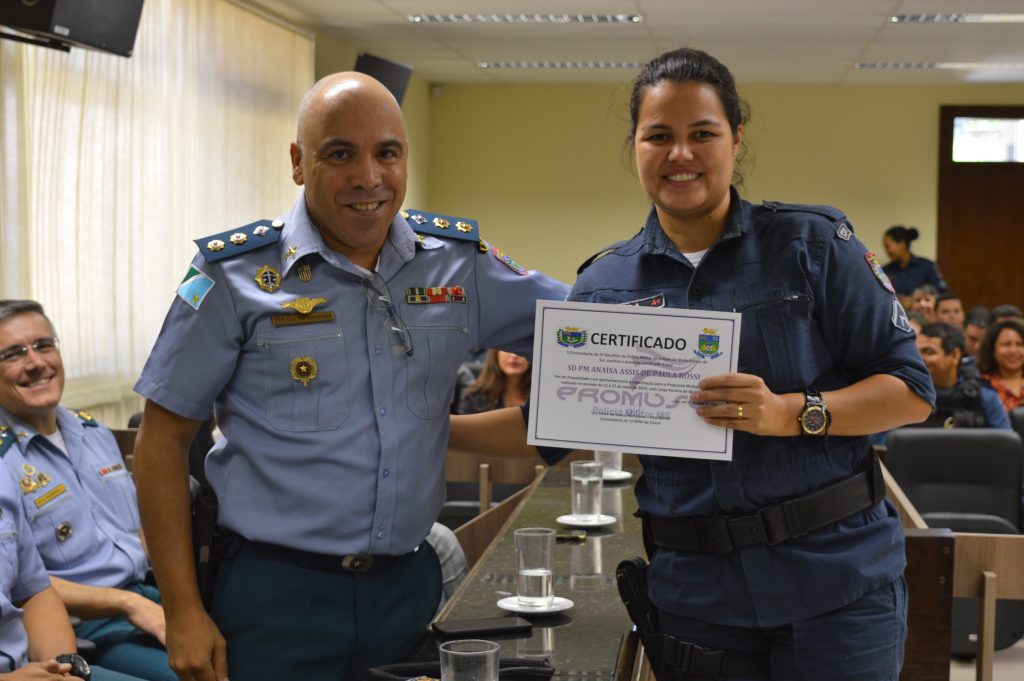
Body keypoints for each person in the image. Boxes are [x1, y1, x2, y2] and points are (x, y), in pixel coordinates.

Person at [450, 47, 934, 681]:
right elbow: (553, 427)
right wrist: (436, 431)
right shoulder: (604, 285)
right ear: (635, 146)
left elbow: (910, 390)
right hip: (699, 598)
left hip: (836, 585)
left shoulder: (813, 244)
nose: (681, 153)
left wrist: (790, 413)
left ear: (737, 138)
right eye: (659, 136)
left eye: (702, 133)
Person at [130, 72, 569, 681]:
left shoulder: (458, 266)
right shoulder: (232, 275)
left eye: (387, 153)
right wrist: (181, 609)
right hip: (275, 597)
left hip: (406, 592)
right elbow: (160, 441)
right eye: (340, 154)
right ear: (297, 161)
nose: (368, 177)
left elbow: (592, 334)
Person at [0, 301, 173, 681]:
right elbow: (23, 583)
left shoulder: (93, 432)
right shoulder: (4, 463)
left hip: (152, 597)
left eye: (44, 345)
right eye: (13, 354)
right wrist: (127, 603)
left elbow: (139, 530)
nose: (35, 362)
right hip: (87, 622)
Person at [915, 323, 1009, 429]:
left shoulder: (982, 396)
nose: (918, 359)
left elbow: (1005, 438)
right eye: (915, 352)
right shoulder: (907, 392)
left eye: (928, 352)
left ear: (955, 355)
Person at [880, 224, 948, 300]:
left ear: (902, 243)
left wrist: (917, 300)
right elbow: (880, 296)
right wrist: (899, 300)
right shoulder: (885, 271)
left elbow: (943, 294)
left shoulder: (927, 266)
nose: (887, 251)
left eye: (888, 246)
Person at [456, 349, 531, 414]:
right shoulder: (474, 397)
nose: (514, 355)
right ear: (495, 353)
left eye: (521, 348)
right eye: (508, 349)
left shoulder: (536, 398)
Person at [977, 318, 1024, 413]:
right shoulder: (981, 387)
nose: (1013, 350)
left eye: (1019, 344)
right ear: (992, 350)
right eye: (1006, 344)